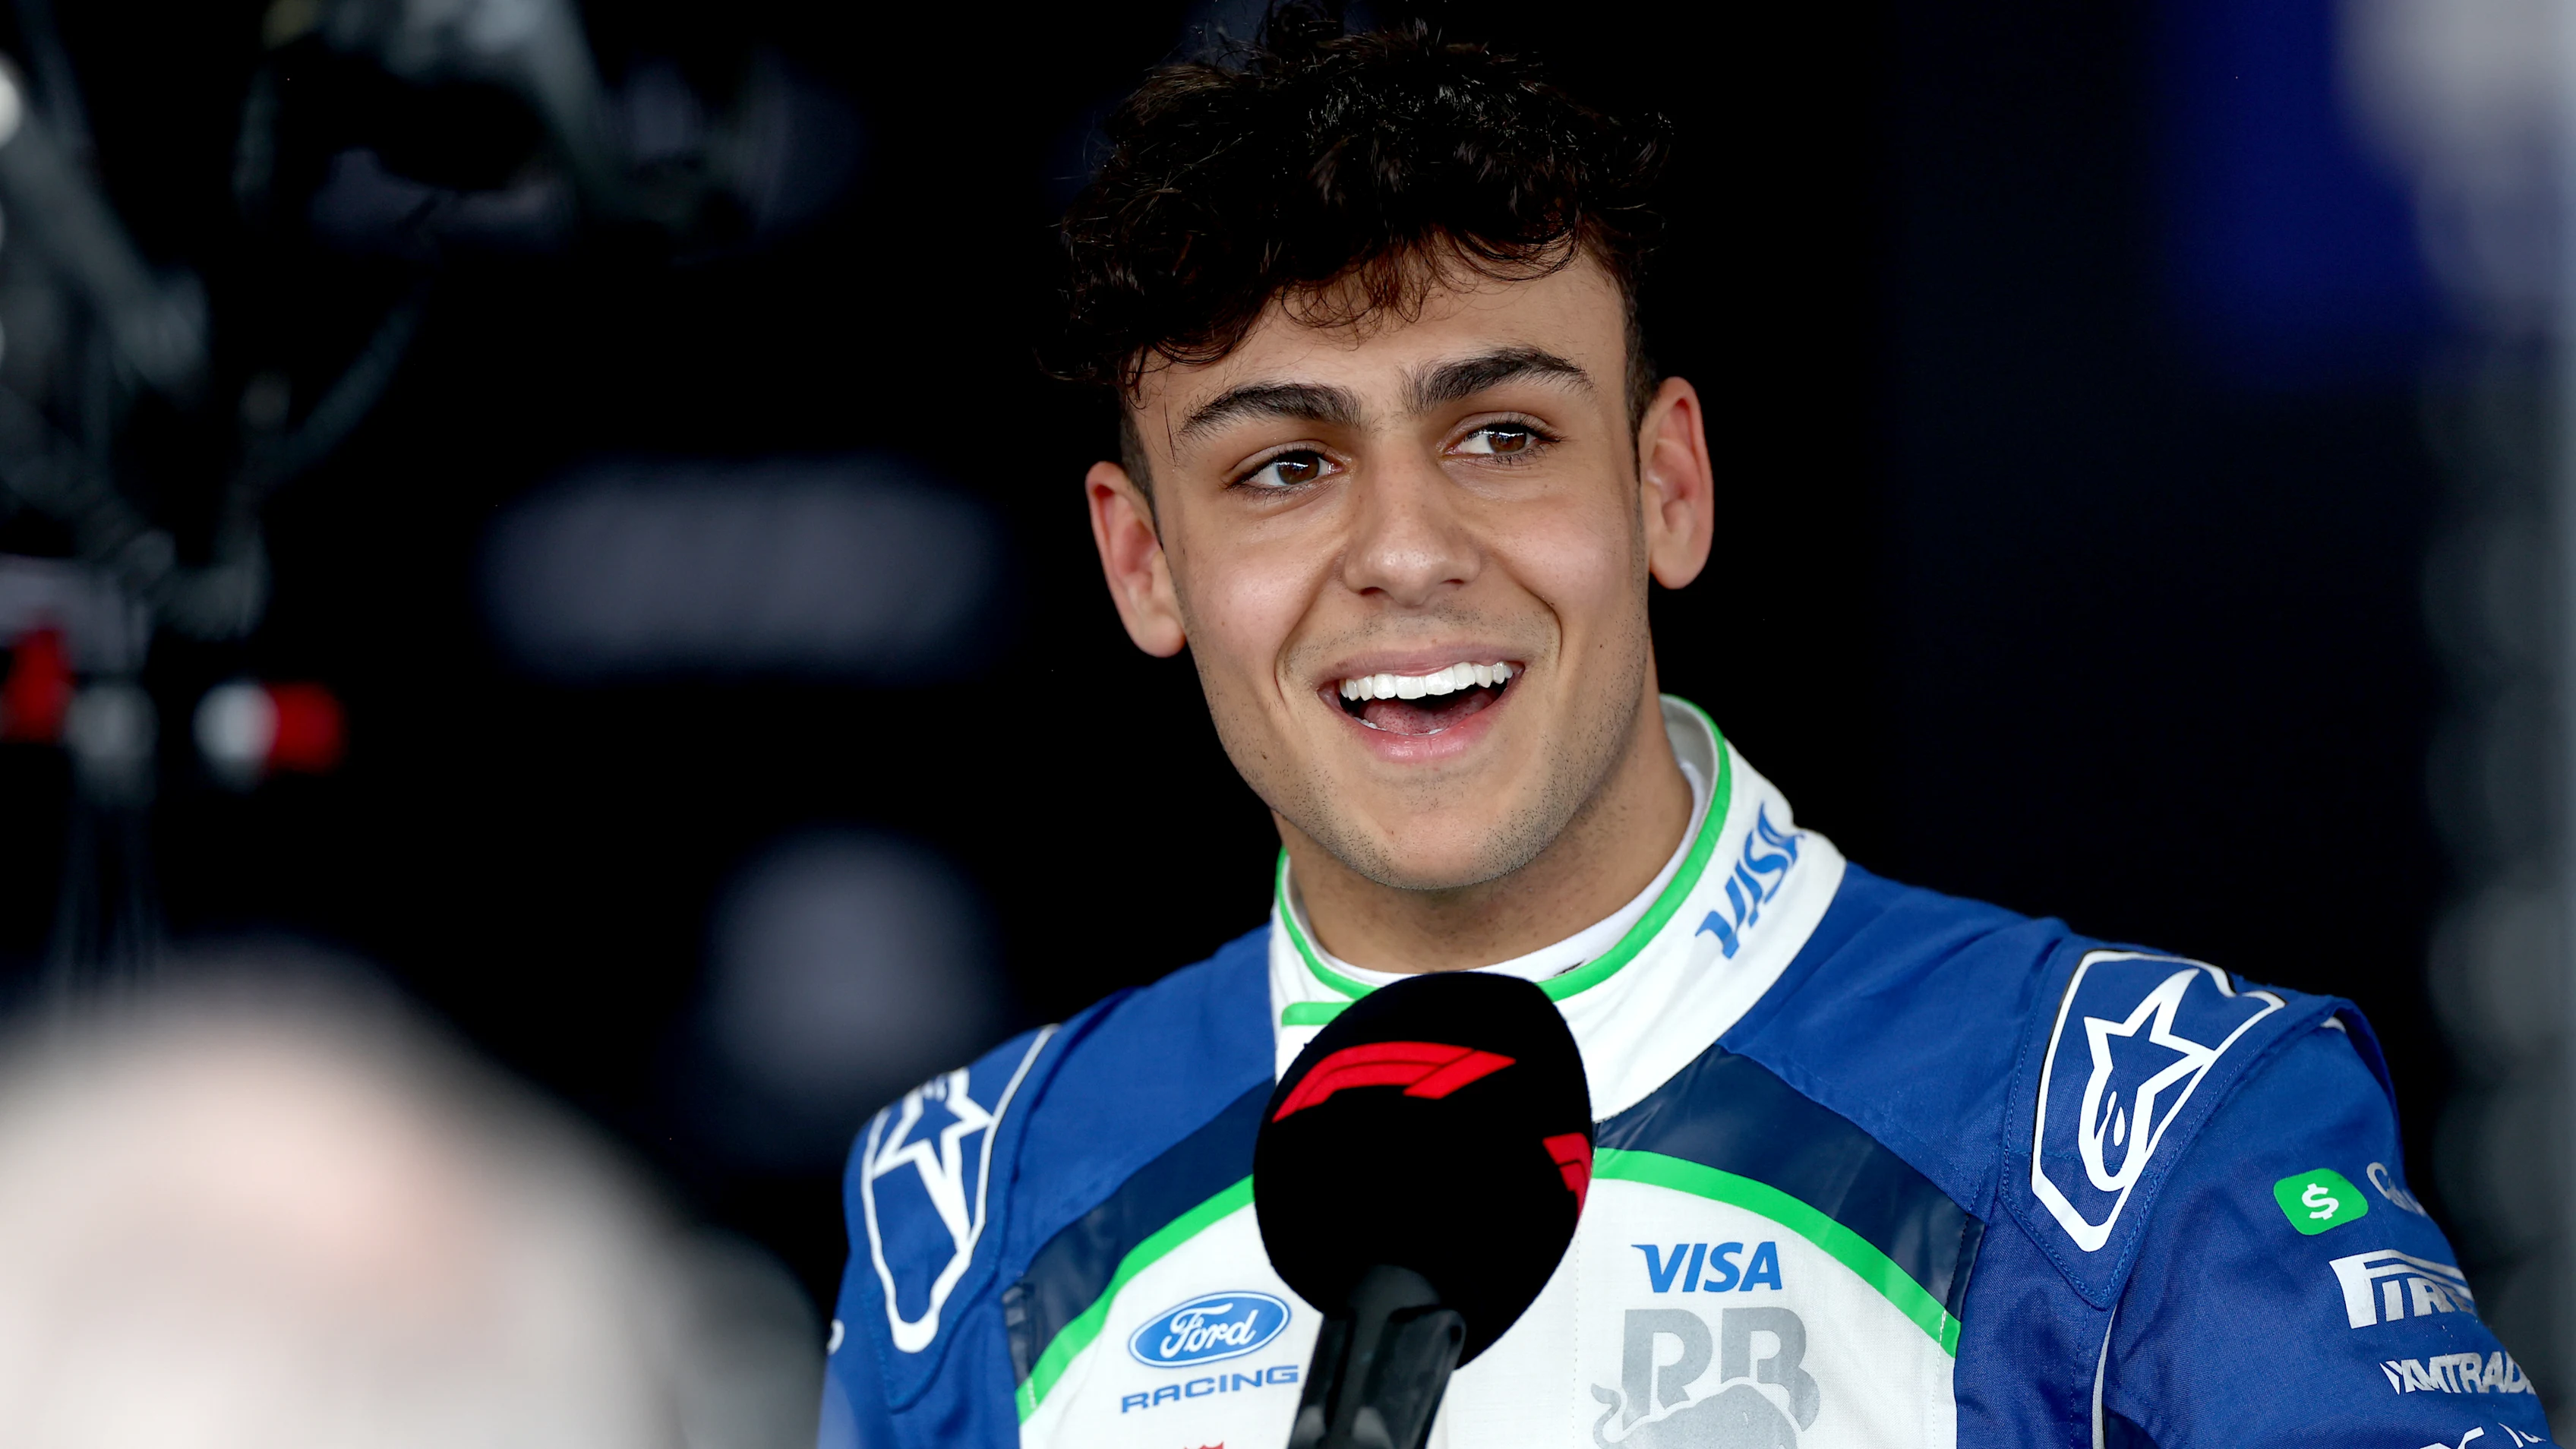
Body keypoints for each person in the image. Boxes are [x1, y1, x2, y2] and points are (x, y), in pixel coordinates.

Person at [821, 14, 2552, 1448]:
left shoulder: (2138, 1130)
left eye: (1500, 434)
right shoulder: (972, 1211)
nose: (1406, 552)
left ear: (1665, 485)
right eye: (1284, 467)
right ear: (1144, 561)